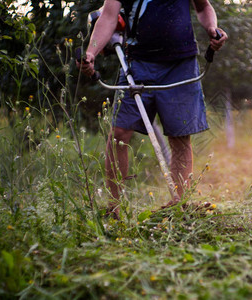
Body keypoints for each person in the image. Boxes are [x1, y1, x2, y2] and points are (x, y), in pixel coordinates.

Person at [79, 0, 227, 218]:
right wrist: (91, 53)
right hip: (137, 63)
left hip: (181, 64)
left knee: (180, 136)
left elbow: (203, 8)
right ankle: (114, 207)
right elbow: (108, 17)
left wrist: (212, 29)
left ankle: (180, 204)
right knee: (119, 133)